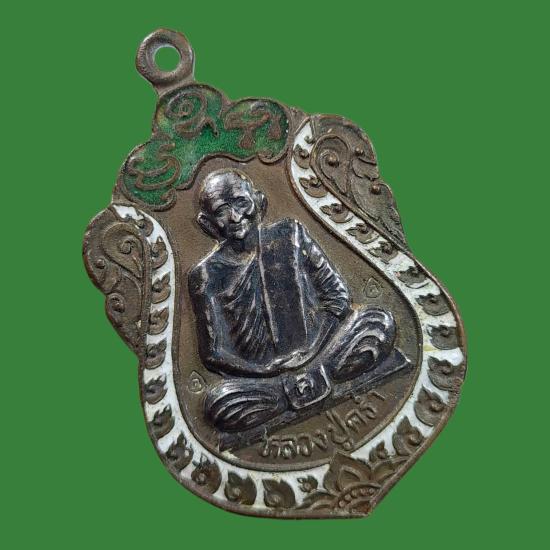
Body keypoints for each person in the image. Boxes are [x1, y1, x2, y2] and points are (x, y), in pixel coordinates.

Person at [188, 169, 404, 436]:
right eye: (222, 211)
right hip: (265, 382)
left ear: (259, 201)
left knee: (377, 323)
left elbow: (338, 297)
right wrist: (267, 369)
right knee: (218, 405)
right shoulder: (206, 275)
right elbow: (213, 355)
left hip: (324, 353)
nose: (235, 217)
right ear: (207, 224)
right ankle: (292, 392)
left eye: (241, 202)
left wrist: (313, 350)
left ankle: (309, 382)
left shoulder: (289, 234)